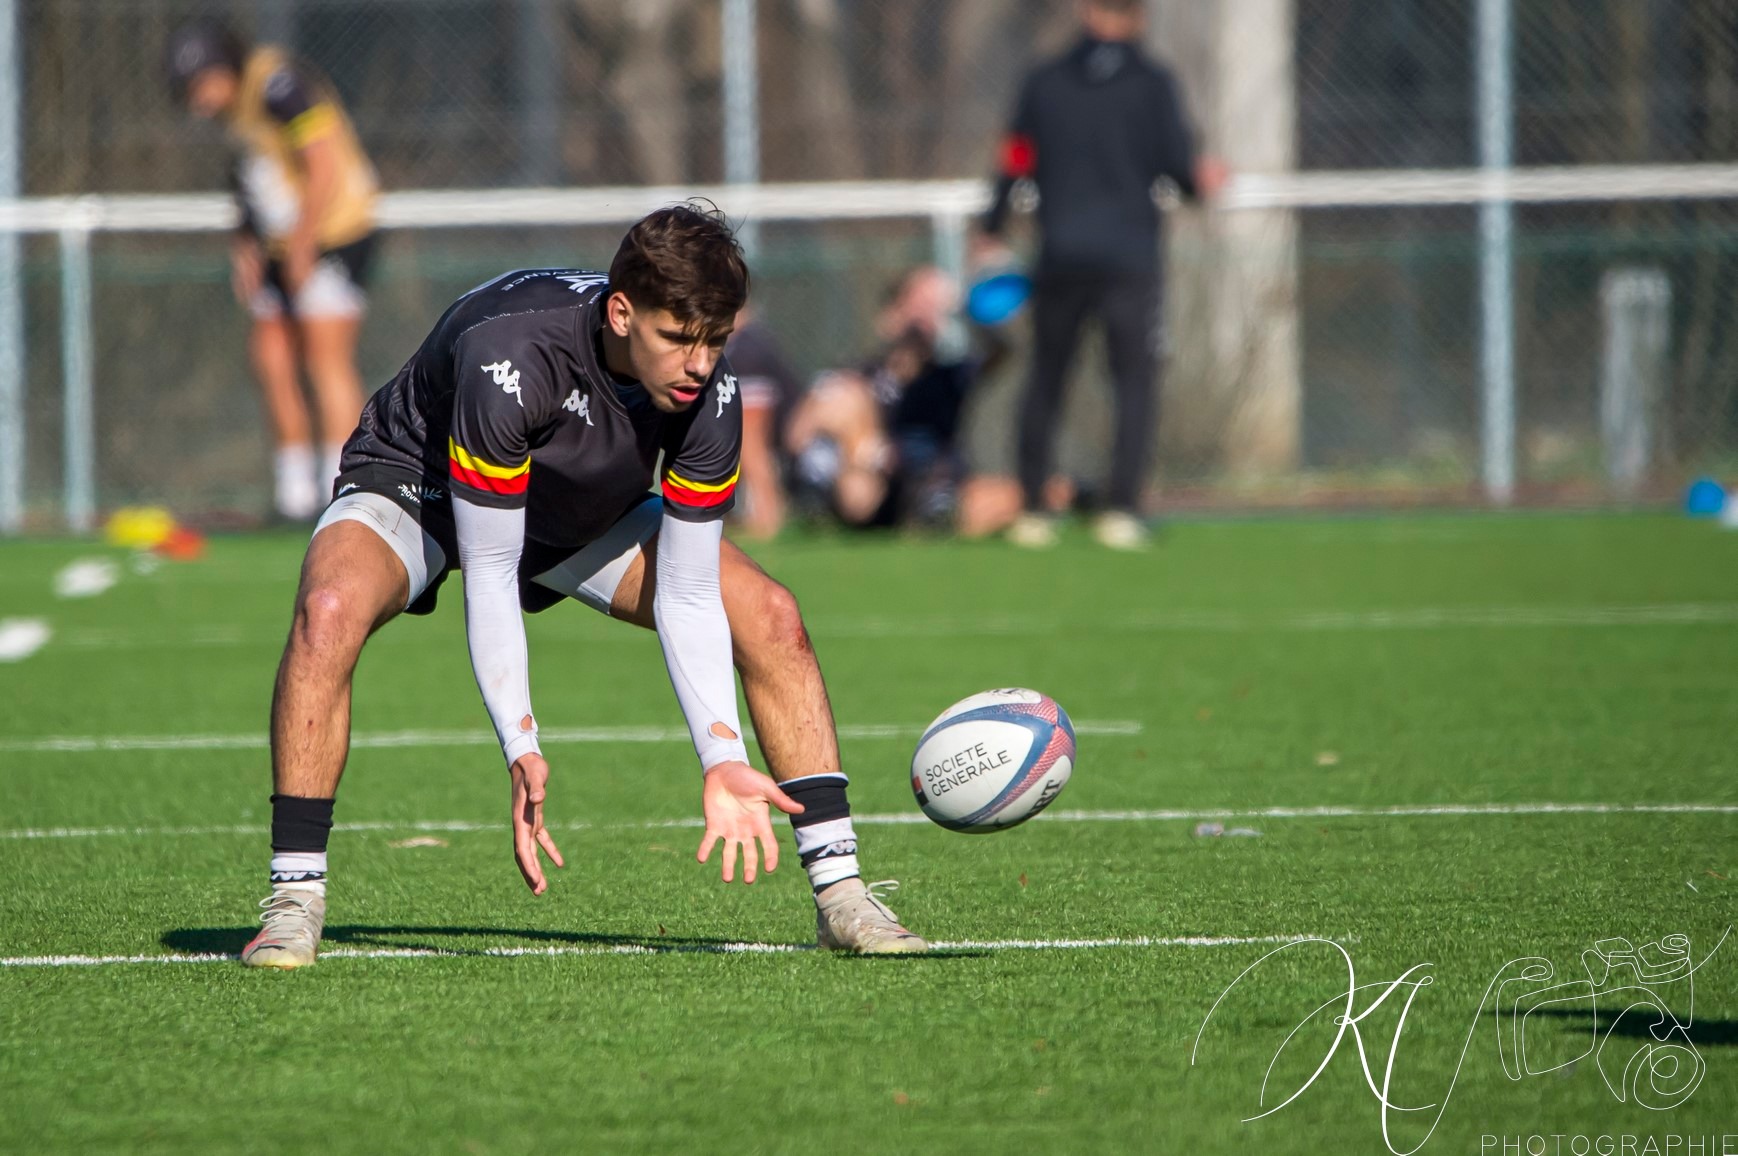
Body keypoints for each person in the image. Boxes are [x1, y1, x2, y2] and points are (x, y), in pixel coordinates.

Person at [240, 205, 927, 969]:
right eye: (678, 339)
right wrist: (521, 741)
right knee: (327, 611)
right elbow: (492, 573)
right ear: (623, 312)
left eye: (716, 341)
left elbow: (690, 593)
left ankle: (843, 895)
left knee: (769, 613)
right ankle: (294, 897)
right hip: (422, 483)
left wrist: (720, 753)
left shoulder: (710, 393)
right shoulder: (511, 355)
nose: (699, 364)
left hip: (574, 507)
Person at [978, 0, 1223, 551]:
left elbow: (1015, 155)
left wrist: (992, 224)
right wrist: (1199, 179)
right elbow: (1180, 167)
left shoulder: (1045, 81)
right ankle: (1122, 510)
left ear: (1086, 13)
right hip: (1131, 257)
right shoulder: (1153, 82)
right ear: (1136, 18)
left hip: (1061, 252)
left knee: (1046, 378)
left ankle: (1035, 510)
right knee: (1134, 381)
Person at [167, 19, 379, 522]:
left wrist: (304, 243)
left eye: (200, 87)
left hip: (335, 236)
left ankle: (342, 489)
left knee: (325, 357)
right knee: (271, 355)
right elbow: (250, 176)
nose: (198, 103)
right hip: (282, 245)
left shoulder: (280, 85)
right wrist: (246, 243)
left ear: (222, 67)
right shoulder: (233, 112)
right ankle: (294, 494)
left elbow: (323, 163)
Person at [785, 267, 979, 529]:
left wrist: (971, 309)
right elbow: (797, 434)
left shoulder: (951, 376)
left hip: (933, 482)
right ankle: (816, 500)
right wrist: (876, 451)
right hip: (871, 481)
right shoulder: (858, 374)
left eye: (931, 308)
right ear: (890, 316)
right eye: (916, 305)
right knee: (848, 400)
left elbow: (1002, 351)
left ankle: (934, 514)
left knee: (1001, 498)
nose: (922, 319)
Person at [723, 305, 802, 540]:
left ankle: (766, 520)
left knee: (747, 440)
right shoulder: (739, 345)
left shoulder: (747, 350)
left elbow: (753, 438)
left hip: (794, 445)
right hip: (780, 442)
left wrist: (765, 515)